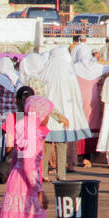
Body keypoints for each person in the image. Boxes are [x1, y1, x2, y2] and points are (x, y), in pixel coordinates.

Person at [0, 93, 56, 218]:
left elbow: (15, 157)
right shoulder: (32, 134)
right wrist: (39, 190)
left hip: (17, 179)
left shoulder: (25, 128)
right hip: (25, 183)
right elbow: (30, 165)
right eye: (47, 113)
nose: (48, 117)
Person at [39, 47, 90, 180]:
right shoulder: (68, 71)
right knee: (62, 145)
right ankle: (61, 174)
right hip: (64, 114)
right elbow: (75, 94)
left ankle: (43, 173)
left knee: (47, 146)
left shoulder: (45, 71)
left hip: (47, 115)